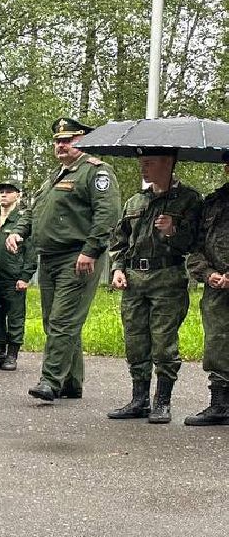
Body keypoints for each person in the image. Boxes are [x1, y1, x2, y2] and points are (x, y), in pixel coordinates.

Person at [9, 118, 121, 403]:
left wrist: (91, 250)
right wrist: (18, 232)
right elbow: (34, 211)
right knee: (55, 321)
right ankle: (72, 382)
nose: (61, 145)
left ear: (82, 141)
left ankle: (50, 381)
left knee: (62, 320)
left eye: (67, 140)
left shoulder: (96, 172)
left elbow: (107, 214)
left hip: (77, 257)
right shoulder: (56, 176)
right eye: (58, 141)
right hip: (49, 258)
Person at [105, 149, 202, 424]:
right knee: (135, 341)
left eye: (149, 163)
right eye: (141, 163)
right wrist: (118, 268)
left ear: (168, 163)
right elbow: (119, 241)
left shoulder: (188, 199)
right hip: (134, 279)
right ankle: (139, 400)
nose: (143, 168)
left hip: (167, 277)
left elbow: (195, 243)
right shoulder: (135, 201)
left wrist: (173, 231)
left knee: (163, 343)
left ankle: (162, 402)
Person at [185, 160, 229, 426]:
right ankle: (220, 404)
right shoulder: (214, 202)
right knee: (218, 343)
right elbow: (196, 246)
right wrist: (206, 272)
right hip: (217, 287)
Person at [0, 180, 34, 370]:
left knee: (15, 317)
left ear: (18, 195)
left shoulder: (22, 219)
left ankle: (12, 355)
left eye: (8, 191)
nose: (3, 195)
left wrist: (25, 276)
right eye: (1, 192)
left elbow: (31, 250)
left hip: (13, 278)